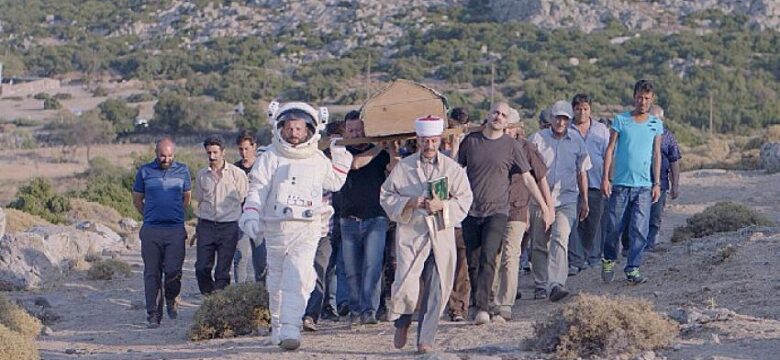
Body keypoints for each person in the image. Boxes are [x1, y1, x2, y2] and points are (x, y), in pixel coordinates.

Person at [239, 101, 352, 350]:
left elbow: (334, 182)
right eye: (289, 128)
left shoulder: (317, 159)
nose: (294, 133)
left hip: (307, 227)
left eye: (299, 129)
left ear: (310, 129)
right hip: (276, 228)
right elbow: (258, 188)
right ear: (280, 128)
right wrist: (250, 213)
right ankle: (278, 328)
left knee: (298, 276)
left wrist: (341, 155)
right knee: (276, 280)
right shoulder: (270, 157)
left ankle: (291, 327)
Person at [380, 115, 473, 354]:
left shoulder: (452, 169)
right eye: (425, 141)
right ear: (418, 141)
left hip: (440, 234)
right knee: (408, 282)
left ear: (440, 140)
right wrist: (409, 202)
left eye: (433, 141)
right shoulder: (404, 167)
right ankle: (402, 321)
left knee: (437, 285)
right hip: (413, 234)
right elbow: (386, 195)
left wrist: (443, 206)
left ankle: (425, 338)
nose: (429, 146)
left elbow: (465, 198)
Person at [457, 102, 554, 325]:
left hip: (498, 210)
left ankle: (483, 308)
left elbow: (529, 178)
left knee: (490, 256)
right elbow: (456, 171)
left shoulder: (511, 145)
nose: (498, 117)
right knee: (473, 260)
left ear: (508, 121)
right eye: (495, 112)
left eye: (503, 115)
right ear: (488, 115)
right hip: (471, 209)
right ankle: (479, 302)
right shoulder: (471, 142)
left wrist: (544, 205)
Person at [601, 80, 664, 284]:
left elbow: (656, 154)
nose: (642, 101)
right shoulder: (621, 120)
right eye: (639, 97)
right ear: (634, 97)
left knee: (639, 228)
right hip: (620, 184)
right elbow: (610, 149)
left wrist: (657, 184)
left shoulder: (656, 124)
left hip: (644, 186)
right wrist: (606, 178)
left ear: (651, 99)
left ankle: (633, 267)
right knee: (613, 227)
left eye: (646, 98)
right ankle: (609, 258)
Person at [528, 100, 592, 302]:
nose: (561, 122)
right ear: (551, 118)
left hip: (567, 199)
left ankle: (556, 283)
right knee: (539, 242)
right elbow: (527, 172)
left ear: (569, 120)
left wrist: (585, 200)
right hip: (539, 200)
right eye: (558, 118)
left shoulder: (577, 141)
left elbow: (582, 172)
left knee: (560, 238)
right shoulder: (537, 139)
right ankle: (540, 283)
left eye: (565, 119)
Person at [491, 107, 550, 319]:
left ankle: (504, 303)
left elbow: (539, 178)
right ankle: (491, 298)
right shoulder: (492, 147)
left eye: (510, 128)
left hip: (517, 207)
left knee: (511, 255)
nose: (506, 131)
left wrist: (547, 207)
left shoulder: (526, 149)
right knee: (494, 255)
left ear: (517, 129)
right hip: (493, 208)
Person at [132, 137, 191, 328]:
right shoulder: (144, 171)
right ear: (156, 153)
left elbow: (186, 198)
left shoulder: (183, 171)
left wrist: (174, 214)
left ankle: (172, 299)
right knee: (152, 273)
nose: (166, 159)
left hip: (175, 229)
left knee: (173, 271)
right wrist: (151, 215)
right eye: (162, 156)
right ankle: (153, 315)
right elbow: (137, 199)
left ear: (174, 154)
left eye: (169, 156)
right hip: (151, 229)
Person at [340, 110, 391, 325]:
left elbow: (394, 171)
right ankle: (355, 310)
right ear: (345, 131)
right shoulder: (340, 151)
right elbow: (354, 164)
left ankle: (369, 310)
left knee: (373, 266)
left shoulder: (381, 152)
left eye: (358, 129)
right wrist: (380, 147)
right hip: (348, 218)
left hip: (376, 217)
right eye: (351, 130)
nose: (355, 133)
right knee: (351, 270)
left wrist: (391, 149)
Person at [192, 135, 248, 295]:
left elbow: (243, 198)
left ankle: (218, 301)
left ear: (223, 152)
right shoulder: (202, 175)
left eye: (215, 152)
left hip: (229, 226)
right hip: (207, 225)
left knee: (222, 271)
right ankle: (209, 296)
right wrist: (198, 228)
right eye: (209, 152)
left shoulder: (237, 175)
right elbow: (201, 201)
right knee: (201, 267)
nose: (212, 156)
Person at [567, 94, 610, 275]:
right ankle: (576, 260)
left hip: (596, 182)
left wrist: (608, 178)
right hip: (571, 185)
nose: (582, 112)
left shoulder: (601, 130)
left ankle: (592, 258)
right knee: (573, 223)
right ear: (573, 110)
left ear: (590, 109)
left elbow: (609, 155)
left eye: (585, 109)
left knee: (594, 222)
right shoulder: (567, 130)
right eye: (578, 109)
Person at [233, 130, 267, 283]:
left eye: (247, 148)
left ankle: (261, 295)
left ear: (254, 147)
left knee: (261, 261)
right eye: (241, 149)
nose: (244, 152)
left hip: (260, 218)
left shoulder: (263, 167)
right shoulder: (234, 169)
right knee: (240, 258)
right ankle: (241, 294)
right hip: (240, 218)